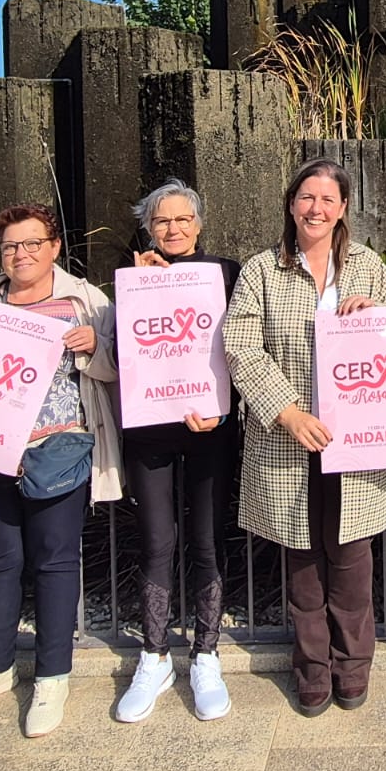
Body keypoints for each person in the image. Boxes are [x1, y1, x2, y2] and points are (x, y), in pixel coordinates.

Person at [222, 158, 386, 715]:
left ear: (343, 209)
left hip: (359, 443)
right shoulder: (262, 270)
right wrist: (286, 410)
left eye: (328, 200)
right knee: (303, 563)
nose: (316, 209)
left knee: (352, 562)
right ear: (290, 203)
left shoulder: (369, 267)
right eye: (307, 197)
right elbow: (240, 344)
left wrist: (378, 311)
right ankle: (312, 668)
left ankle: (354, 665)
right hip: (289, 442)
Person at [0, 204, 123, 738]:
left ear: (54, 246)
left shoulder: (86, 302)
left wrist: (94, 349)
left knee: (55, 562)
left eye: (32, 243)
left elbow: (117, 371)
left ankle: (52, 675)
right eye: (11, 246)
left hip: (58, 449)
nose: (21, 254)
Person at [113, 179, 241, 724]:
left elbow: (245, 344)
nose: (172, 229)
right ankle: (154, 654)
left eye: (181, 219)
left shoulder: (227, 274)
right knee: (157, 542)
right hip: (151, 431)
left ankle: (206, 653)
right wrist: (138, 291)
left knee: (208, 541)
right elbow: (122, 355)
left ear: (199, 224)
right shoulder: (133, 279)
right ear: (148, 228)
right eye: (161, 221)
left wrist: (225, 403)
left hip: (209, 427)